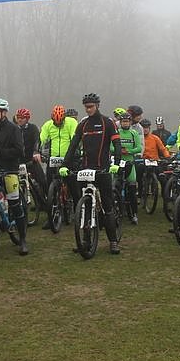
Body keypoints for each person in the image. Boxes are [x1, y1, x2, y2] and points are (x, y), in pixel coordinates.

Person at [62, 93, 124, 253]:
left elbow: (117, 144)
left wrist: (116, 164)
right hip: (86, 168)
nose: (88, 110)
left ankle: (113, 241)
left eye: (91, 107)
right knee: (86, 206)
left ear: (97, 106)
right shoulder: (83, 124)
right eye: (86, 107)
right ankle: (86, 240)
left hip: (103, 168)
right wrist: (65, 165)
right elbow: (73, 146)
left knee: (107, 205)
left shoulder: (108, 122)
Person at [0, 98, 30, 255]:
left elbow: (19, 151)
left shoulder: (14, 129)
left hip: (10, 171)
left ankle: (23, 240)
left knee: (15, 205)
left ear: (4, 113)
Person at [39, 105, 78, 229]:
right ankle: (51, 216)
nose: (58, 123)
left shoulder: (71, 122)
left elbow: (74, 139)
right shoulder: (48, 125)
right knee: (50, 187)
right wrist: (36, 151)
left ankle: (79, 213)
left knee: (74, 186)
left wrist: (72, 155)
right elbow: (41, 139)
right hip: (54, 158)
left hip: (69, 158)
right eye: (56, 122)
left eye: (60, 122)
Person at [116, 112, 143, 224]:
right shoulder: (117, 132)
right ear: (120, 122)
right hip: (118, 163)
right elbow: (111, 146)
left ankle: (134, 214)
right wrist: (119, 150)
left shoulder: (134, 133)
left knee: (132, 189)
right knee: (116, 187)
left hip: (130, 163)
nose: (125, 123)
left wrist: (129, 151)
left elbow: (139, 148)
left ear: (130, 122)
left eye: (127, 121)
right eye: (123, 122)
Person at [16, 107, 46, 200]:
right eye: (18, 117)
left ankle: (46, 199)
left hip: (31, 160)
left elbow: (37, 141)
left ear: (27, 119)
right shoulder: (14, 129)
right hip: (18, 162)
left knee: (42, 180)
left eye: (22, 118)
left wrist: (35, 152)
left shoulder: (32, 128)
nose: (20, 120)